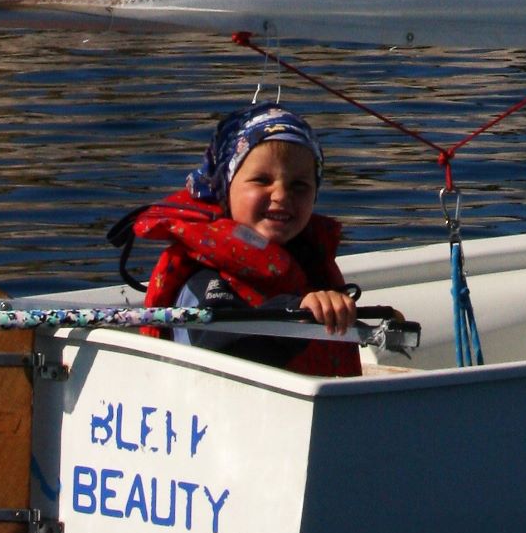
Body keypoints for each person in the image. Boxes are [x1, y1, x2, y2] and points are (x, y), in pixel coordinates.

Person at [109, 105, 360, 375]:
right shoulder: (204, 278)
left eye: (299, 185)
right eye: (262, 180)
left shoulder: (308, 263)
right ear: (226, 189)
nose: (281, 195)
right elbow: (223, 356)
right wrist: (294, 315)